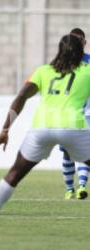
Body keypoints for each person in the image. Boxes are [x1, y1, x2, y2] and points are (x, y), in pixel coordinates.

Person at [0, 34, 90, 236]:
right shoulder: (87, 71)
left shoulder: (43, 71)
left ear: (59, 50)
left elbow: (22, 96)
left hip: (41, 127)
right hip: (73, 127)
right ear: (80, 52)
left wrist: (5, 130)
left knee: (13, 175)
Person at [60, 28, 90, 200]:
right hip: (67, 115)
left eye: (81, 39)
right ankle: (69, 188)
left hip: (87, 115)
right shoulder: (61, 63)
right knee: (67, 153)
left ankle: (81, 186)